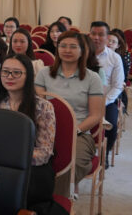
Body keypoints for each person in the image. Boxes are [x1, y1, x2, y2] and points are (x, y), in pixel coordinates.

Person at [0, 55, 63, 215]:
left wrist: (13, 158)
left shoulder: (43, 107)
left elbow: (44, 152)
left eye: (16, 73)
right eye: (5, 72)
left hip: (33, 169)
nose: (9, 77)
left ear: (28, 76)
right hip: (1, 166)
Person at [34, 31, 103, 197]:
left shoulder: (92, 78)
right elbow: (39, 106)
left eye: (73, 46)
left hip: (79, 133)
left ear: (82, 51)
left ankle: (59, 199)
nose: (67, 50)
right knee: (31, 160)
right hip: (45, 130)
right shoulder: (44, 73)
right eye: (63, 46)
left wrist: (75, 130)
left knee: (73, 163)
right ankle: (43, 197)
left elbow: (96, 115)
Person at [90, 21, 124, 164]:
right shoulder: (82, 53)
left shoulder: (114, 58)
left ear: (107, 36)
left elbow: (117, 86)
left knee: (111, 125)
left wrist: (104, 102)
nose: (96, 37)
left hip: (106, 99)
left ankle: (105, 152)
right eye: (93, 34)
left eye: (101, 34)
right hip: (82, 98)